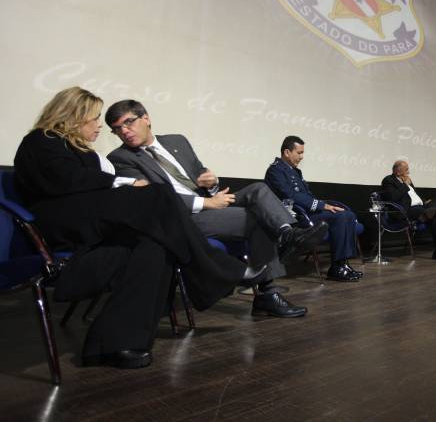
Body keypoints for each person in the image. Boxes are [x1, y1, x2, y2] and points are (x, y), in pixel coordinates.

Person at [13, 87, 258, 369]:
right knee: (159, 195)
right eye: (94, 120)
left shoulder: (82, 150)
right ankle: (217, 270)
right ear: (73, 117)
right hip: (62, 221)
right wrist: (127, 184)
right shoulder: (41, 141)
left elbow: (91, 182)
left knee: (155, 245)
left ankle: (112, 343)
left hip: (93, 219)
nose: (99, 128)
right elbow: (66, 181)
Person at [104, 100, 326, 318]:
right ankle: (268, 293)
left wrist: (212, 185)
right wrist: (206, 203)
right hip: (180, 219)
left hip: (209, 204)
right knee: (255, 218)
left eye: (128, 122)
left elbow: (201, 176)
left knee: (258, 189)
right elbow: (151, 197)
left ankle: (288, 233)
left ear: (146, 118)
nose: (124, 131)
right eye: (117, 129)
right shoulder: (121, 158)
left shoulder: (177, 141)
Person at [265, 136, 363, 281]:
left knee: (347, 214)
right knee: (342, 217)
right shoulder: (275, 171)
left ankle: (341, 264)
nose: (302, 157)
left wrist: (324, 206)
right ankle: (338, 267)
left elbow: (307, 196)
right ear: (287, 152)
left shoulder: (293, 171)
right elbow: (291, 195)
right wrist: (323, 206)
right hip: (296, 218)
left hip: (308, 212)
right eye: (299, 153)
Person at [381, 160, 436, 261]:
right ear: (398, 171)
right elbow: (392, 197)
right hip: (408, 210)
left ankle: (427, 213)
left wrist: (425, 201)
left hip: (422, 207)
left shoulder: (407, 180)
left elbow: (415, 195)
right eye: (406, 169)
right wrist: (405, 185)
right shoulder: (388, 180)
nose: (409, 172)